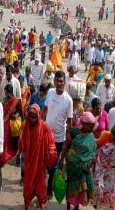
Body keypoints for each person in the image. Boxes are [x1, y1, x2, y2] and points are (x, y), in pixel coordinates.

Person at [17, 104, 57, 209]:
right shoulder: (25, 126)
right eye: (30, 116)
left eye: (34, 117)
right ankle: (27, 204)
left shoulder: (44, 127)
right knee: (28, 184)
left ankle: (40, 203)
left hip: (40, 163)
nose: (32, 119)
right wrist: (18, 154)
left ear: (39, 115)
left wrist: (51, 158)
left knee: (40, 185)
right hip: (29, 162)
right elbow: (21, 141)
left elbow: (51, 142)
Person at [42, 71, 73, 199]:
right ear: (54, 81)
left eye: (62, 81)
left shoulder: (68, 100)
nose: (59, 83)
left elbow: (70, 122)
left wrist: (67, 141)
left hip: (59, 139)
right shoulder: (50, 93)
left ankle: (49, 189)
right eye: (58, 81)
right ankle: (44, 186)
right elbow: (45, 110)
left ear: (64, 82)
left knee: (53, 164)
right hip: (46, 135)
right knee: (44, 162)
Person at [60, 112, 97, 210]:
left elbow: (92, 150)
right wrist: (61, 160)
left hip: (84, 168)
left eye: (93, 126)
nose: (92, 128)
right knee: (70, 187)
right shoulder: (73, 132)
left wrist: (89, 165)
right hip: (72, 166)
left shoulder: (90, 135)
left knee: (81, 189)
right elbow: (66, 147)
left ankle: (76, 207)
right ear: (84, 124)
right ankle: (68, 206)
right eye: (91, 126)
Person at [1, 84, 23, 166]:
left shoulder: (17, 101)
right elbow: (4, 110)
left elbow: (21, 112)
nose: (6, 95)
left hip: (15, 121)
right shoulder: (5, 99)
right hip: (6, 119)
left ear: (11, 92)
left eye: (7, 93)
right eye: (5, 93)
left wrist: (16, 116)